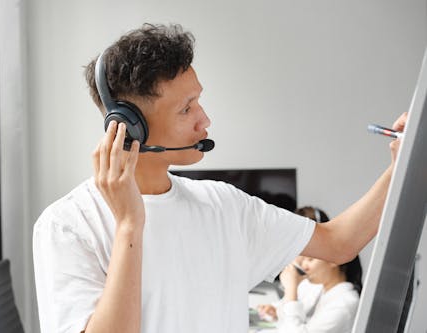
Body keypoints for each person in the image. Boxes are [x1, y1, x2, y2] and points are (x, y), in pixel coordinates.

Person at [32, 23, 406, 333]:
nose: (204, 120)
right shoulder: (67, 225)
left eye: (199, 100)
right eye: (186, 108)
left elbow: (340, 242)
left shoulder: (223, 205)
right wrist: (130, 225)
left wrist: (401, 163)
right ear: (132, 128)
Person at [258, 207, 363, 333]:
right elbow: (294, 318)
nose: (304, 266)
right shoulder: (320, 288)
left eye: (310, 259)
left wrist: (291, 290)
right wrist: (278, 311)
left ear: (333, 260)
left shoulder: (345, 304)